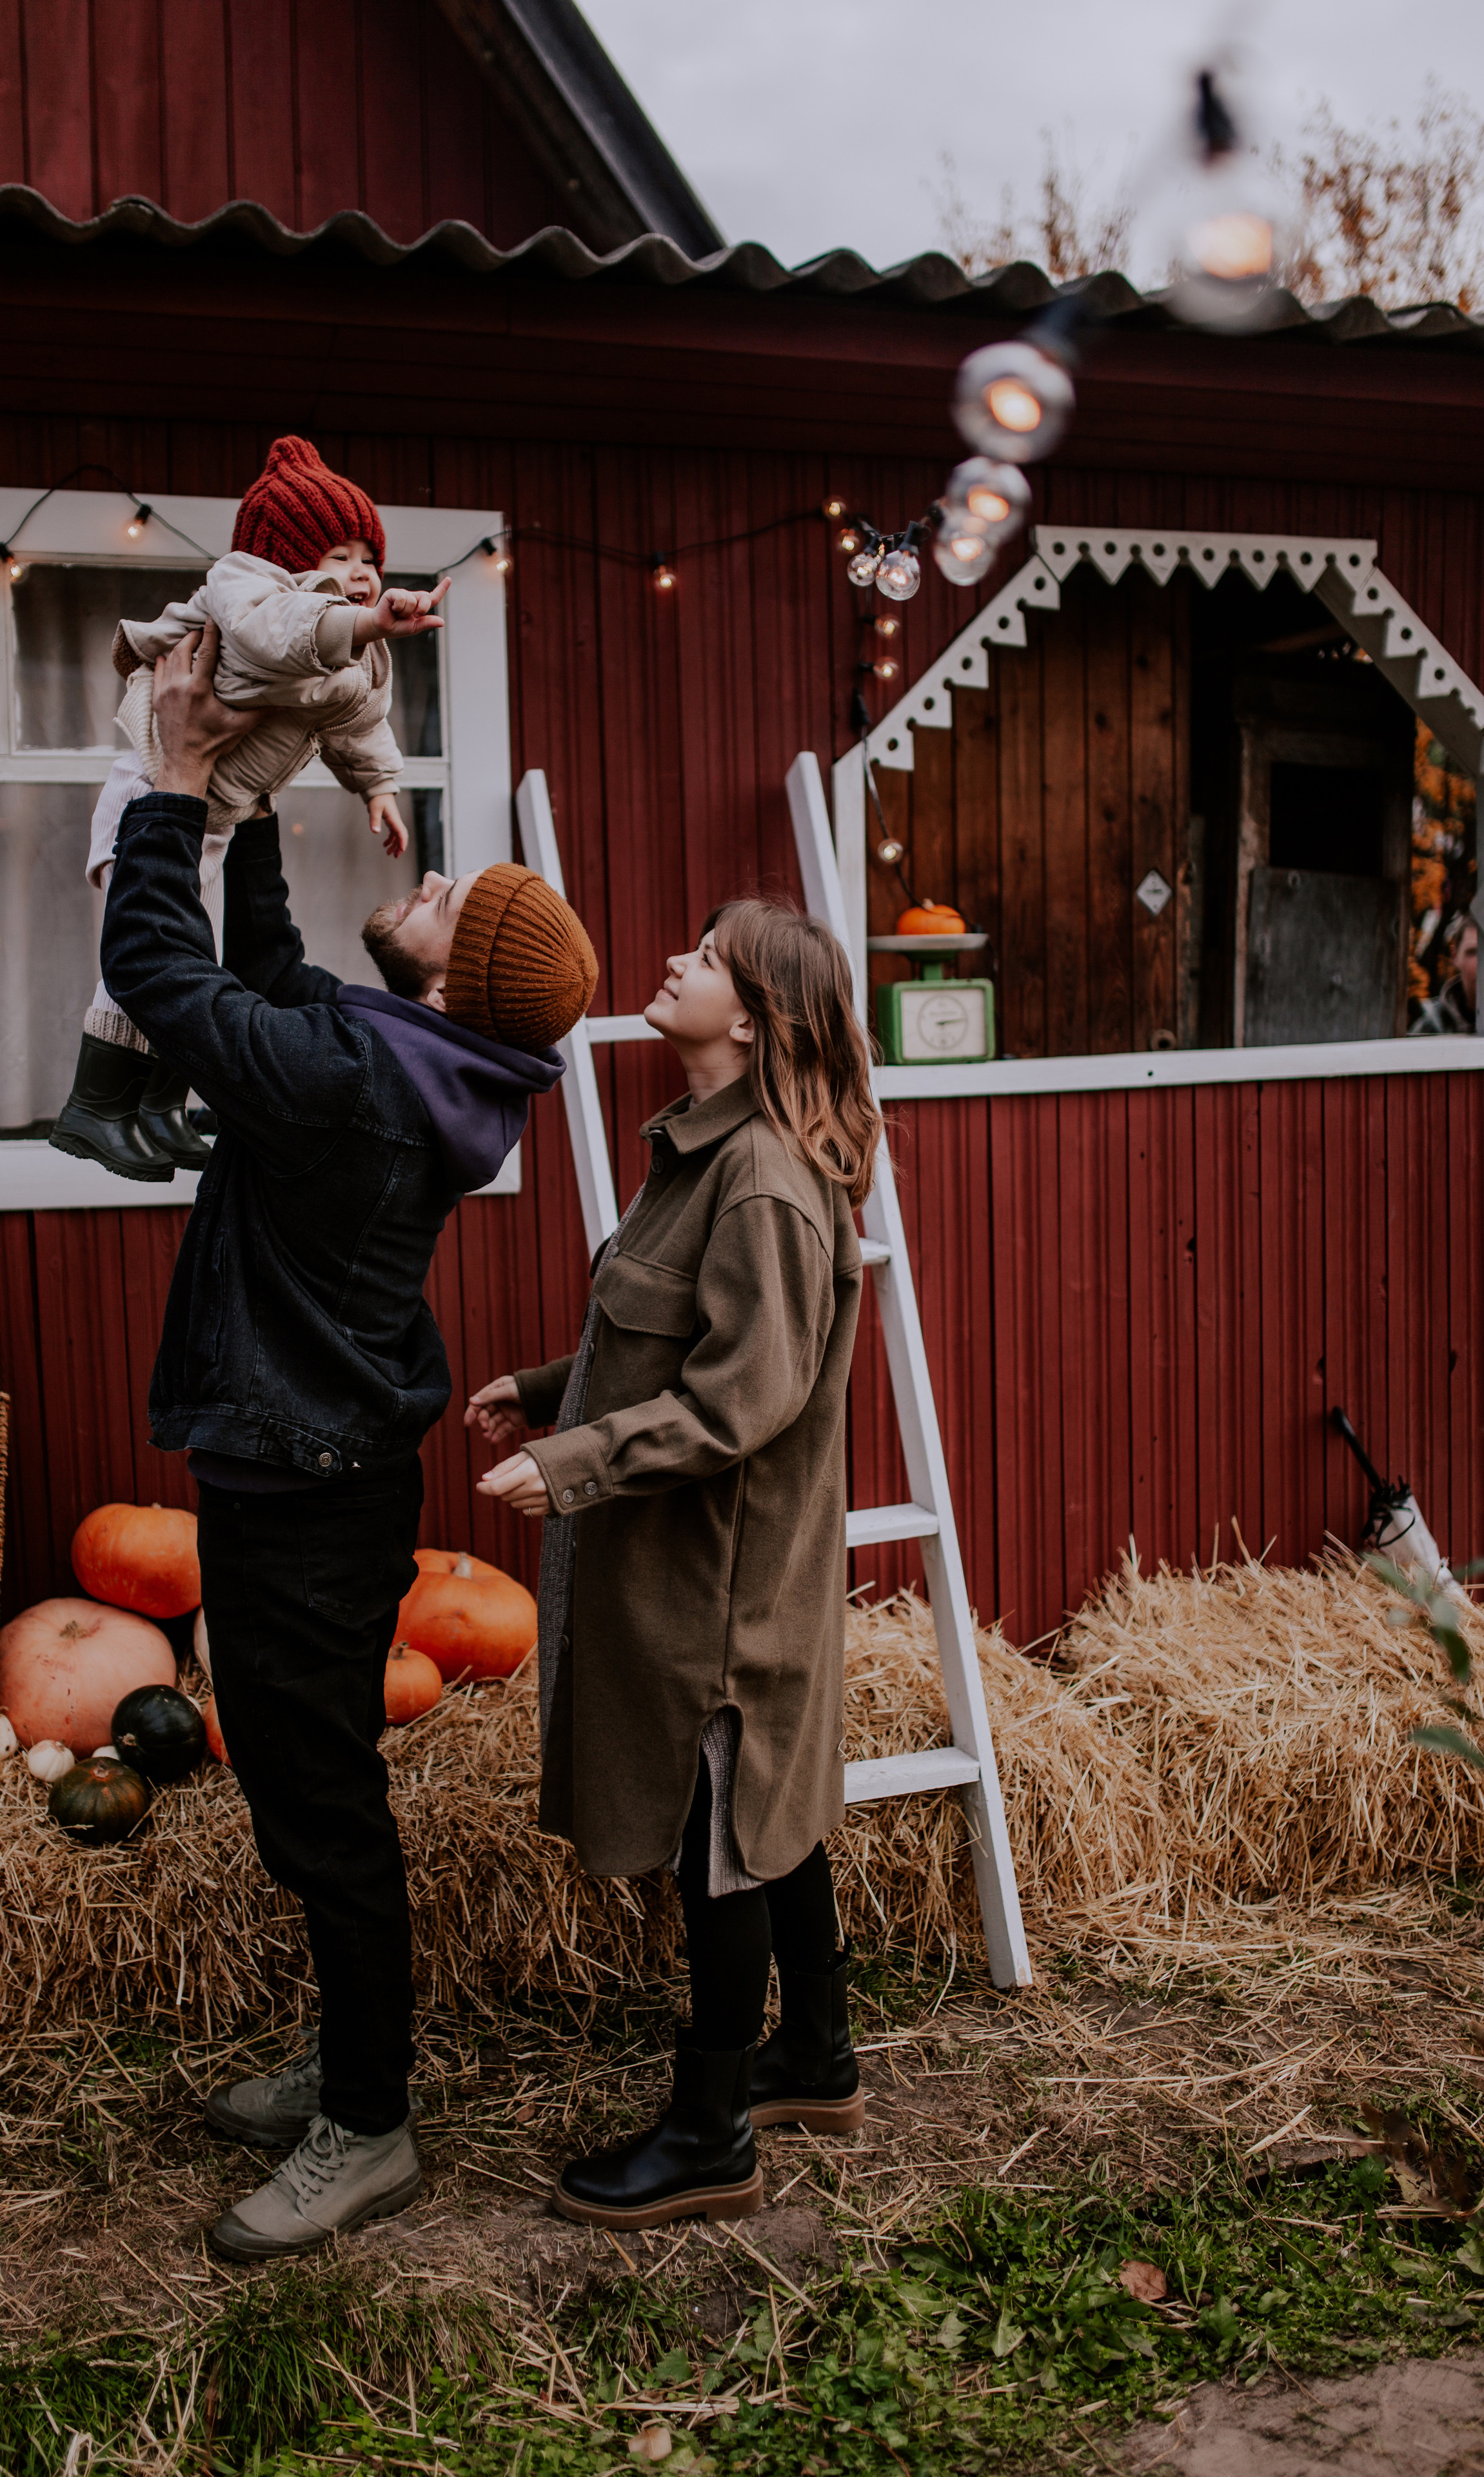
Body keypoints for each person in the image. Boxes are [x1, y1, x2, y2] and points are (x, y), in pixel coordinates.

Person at [98, 622, 597, 2261]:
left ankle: (368, 2122)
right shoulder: (401, 1056)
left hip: (306, 1490)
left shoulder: (358, 1081)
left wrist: (172, 790)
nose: (431, 878)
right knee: (313, 1791)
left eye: (456, 895)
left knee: (323, 1809)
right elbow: (260, 974)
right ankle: (350, 2056)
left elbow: (173, 990)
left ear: (458, 973)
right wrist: (254, 796)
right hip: (305, 1470)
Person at [466, 899, 882, 2229]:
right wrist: (547, 1390)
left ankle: (710, 2134)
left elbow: (738, 1400)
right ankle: (813, 2060)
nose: (669, 963)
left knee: (724, 1841)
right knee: (765, 1822)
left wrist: (573, 1461)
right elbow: (666, 1336)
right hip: (703, 1568)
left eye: (700, 959)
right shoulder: (700, 1157)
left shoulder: (760, 1178)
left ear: (751, 1018)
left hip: (720, 1591)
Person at [52, 433, 448, 1182]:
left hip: (215, 812)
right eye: (338, 555)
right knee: (149, 954)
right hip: (151, 793)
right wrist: (363, 621)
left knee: (197, 952)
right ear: (286, 558)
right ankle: (96, 1104)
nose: (359, 572)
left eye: (368, 556)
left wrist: (379, 787)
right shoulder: (248, 591)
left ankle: (162, 1107)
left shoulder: (354, 654)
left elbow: (360, 721)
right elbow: (279, 639)